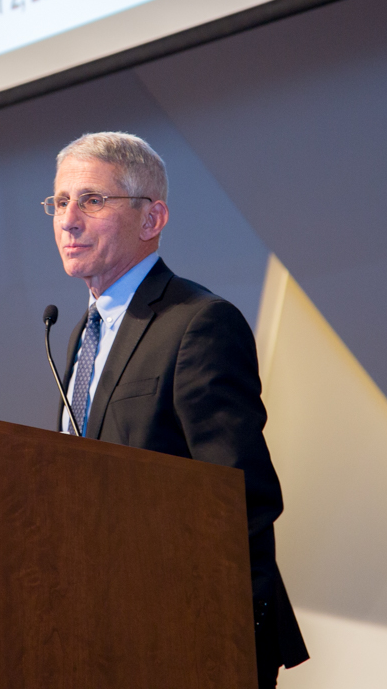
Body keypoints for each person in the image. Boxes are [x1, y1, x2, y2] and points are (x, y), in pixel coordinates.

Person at [45, 132, 308, 686]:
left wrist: (210, 628)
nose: (68, 221)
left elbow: (241, 495)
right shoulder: (80, 336)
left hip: (190, 632)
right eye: (61, 201)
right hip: (100, 627)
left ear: (152, 218)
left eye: (92, 200)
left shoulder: (198, 323)